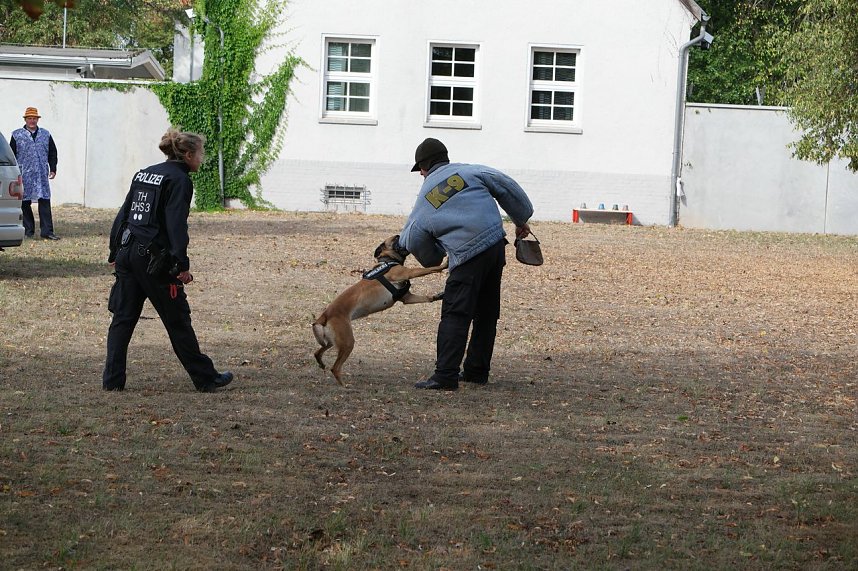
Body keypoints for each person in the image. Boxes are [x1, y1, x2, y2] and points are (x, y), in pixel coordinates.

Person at [102, 127, 233, 392]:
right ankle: (206, 378)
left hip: (128, 251)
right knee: (177, 320)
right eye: (200, 153)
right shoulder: (180, 180)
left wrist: (115, 250)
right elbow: (176, 225)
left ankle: (112, 381)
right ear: (187, 155)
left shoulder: (145, 173)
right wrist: (181, 266)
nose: (202, 158)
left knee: (123, 319)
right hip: (152, 260)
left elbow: (125, 212)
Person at [400, 138, 533, 391]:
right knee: (486, 314)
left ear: (424, 167)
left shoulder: (427, 195)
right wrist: (520, 218)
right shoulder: (470, 171)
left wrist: (433, 258)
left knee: (455, 314)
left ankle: (445, 376)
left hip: (467, 256)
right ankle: (476, 371)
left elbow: (413, 236)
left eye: (420, 169)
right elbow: (506, 186)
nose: (421, 174)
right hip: (495, 246)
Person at [10, 107, 60, 240]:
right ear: (25, 119)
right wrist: (12, 172)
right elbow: (12, 155)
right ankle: (28, 230)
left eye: (34, 118)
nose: (32, 121)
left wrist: (53, 168)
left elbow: (52, 153)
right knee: (24, 202)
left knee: (44, 201)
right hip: (24, 174)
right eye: (29, 118)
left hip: (41, 174)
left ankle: (47, 231)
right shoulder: (17, 135)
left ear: (38, 119)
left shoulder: (45, 134)